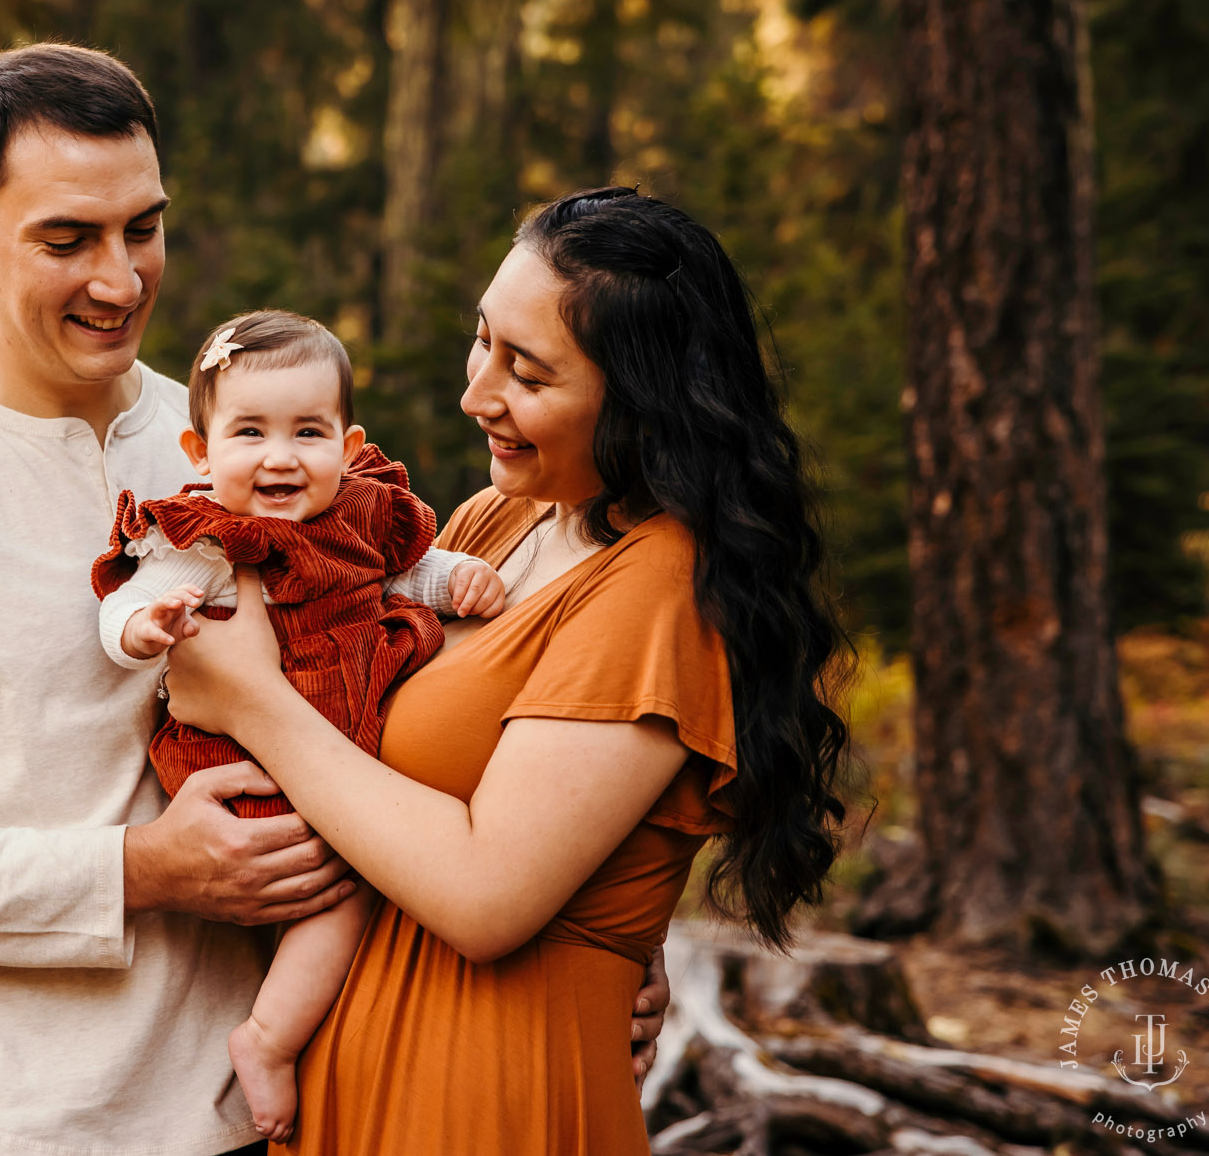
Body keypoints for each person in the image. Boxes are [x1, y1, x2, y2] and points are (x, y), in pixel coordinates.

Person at [0, 44, 669, 1156]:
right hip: (3, 1128)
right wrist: (140, 871)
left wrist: (602, 933)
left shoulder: (249, 441)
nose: (120, 280)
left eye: (142, 227)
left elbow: (429, 705)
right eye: (66, 239)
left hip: (266, 1115)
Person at [164, 188, 853, 1154]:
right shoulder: (506, 517)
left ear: (641, 399)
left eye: (527, 373)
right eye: (483, 341)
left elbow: (488, 897)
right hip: (351, 1077)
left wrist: (250, 701)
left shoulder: (663, 587)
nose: (477, 393)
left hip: (489, 1096)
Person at [93, 310, 505, 1140]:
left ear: (349, 446)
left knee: (380, 876)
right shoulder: (202, 537)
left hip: (343, 740)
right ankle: (269, 1039)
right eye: (249, 432)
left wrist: (461, 578)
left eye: (307, 431)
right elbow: (125, 603)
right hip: (251, 769)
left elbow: (408, 575)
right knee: (340, 892)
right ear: (201, 453)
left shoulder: (359, 515)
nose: (280, 456)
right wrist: (145, 630)